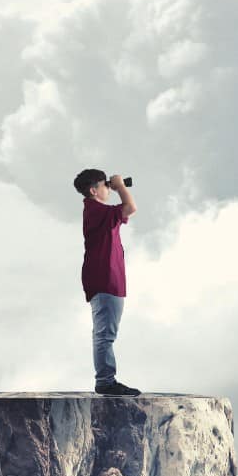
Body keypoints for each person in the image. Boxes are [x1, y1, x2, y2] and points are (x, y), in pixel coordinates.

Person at [73, 169, 142, 396]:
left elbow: (124, 212)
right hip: (105, 279)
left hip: (106, 279)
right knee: (105, 334)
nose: (108, 189)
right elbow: (131, 208)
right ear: (94, 190)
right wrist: (121, 186)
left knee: (104, 333)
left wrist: (115, 186)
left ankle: (106, 379)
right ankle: (105, 381)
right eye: (105, 185)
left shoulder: (97, 211)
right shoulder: (95, 209)